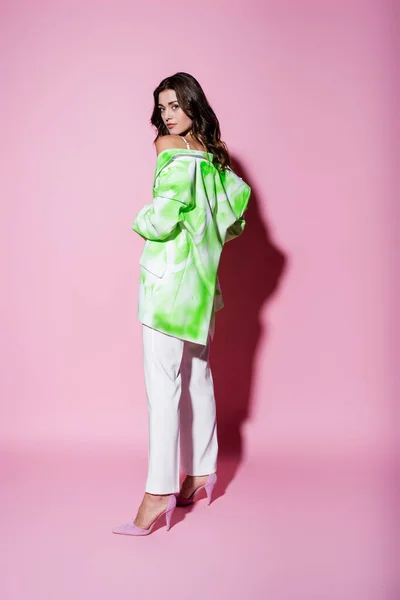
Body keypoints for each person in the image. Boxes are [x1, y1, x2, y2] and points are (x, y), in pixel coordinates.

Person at [113, 72, 251, 536]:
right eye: (162, 107)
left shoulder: (170, 154)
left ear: (192, 103)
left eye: (173, 105)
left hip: (167, 292)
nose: (167, 115)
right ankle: (201, 472)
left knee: (163, 389)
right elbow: (234, 220)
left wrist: (139, 217)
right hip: (200, 292)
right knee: (196, 379)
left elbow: (162, 217)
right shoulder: (215, 162)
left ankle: (157, 493)